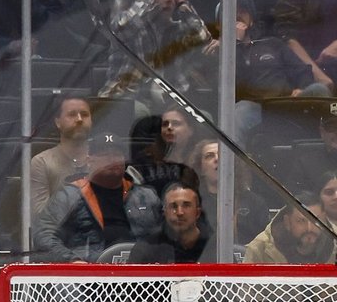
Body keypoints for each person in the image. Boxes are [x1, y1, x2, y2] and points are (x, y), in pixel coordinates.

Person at [33, 130, 161, 262]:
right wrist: (72, 261)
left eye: (117, 154)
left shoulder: (146, 197)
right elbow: (43, 235)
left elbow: (167, 236)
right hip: (87, 278)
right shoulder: (69, 196)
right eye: (104, 154)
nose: (112, 159)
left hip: (143, 276)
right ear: (89, 160)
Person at [98, 0, 213, 109]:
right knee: (141, 112)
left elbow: (203, 37)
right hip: (123, 100)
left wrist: (182, 1)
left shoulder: (179, 29)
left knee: (204, 118)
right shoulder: (135, 28)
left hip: (168, 104)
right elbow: (121, 29)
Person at [231, 0, 332, 145]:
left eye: (242, 12)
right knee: (239, 111)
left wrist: (301, 88)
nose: (238, 16)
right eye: (232, 14)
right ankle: (237, 166)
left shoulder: (272, 44)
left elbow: (302, 70)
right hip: (257, 108)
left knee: (319, 89)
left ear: (251, 20)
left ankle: (331, 148)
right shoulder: (224, 54)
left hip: (288, 101)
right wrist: (235, 44)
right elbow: (236, 87)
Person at [193, 139, 268, 246]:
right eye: (209, 156)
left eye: (222, 154)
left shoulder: (255, 202)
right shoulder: (193, 203)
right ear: (200, 168)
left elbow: (263, 245)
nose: (217, 159)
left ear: (233, 165)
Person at [29, 95, 92, 217]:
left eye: (84, 114)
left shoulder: (103, 158)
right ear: (58, 122)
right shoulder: (42, 162)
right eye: (72, 114)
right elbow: (40, 216)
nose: (79, 119)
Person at [128, 183, 216, 263]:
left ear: (197, 213)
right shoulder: (145, 249)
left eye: (186, 205)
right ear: (165, 212)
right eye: (173, 206)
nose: (180, 212)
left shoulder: (215, 247)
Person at [243, 192, 335, 264]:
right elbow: (245, 288)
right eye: (301, 221)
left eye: (316, 221)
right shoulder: (259, 249)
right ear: (287, 222)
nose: (309, 228)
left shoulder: (335, 245)